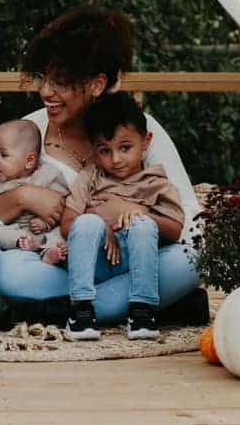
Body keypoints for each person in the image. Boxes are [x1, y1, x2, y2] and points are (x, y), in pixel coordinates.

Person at [0, 5, 204, 327]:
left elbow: (192, 221)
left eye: (60, 82)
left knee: (194, 260)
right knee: (9, 274)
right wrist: (22, 197)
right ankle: (142, 302)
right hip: (52, 264)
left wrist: (138, 212)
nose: (46, 91)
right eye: (43, 78)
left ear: (97, 84)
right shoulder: (27, 132)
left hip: (130, 258)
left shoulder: (138, 130)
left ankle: (62, 312)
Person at [61, 92, 185, 341]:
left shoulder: (156, 182)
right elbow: (67, 223)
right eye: (105, 151)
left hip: (138, 264)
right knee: (87, 221)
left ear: (146, 141)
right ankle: (81, 310)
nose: (115, 160)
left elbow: (175, 228)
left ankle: (142, 311)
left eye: (125, 148)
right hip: (95, 264)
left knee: (144, 227)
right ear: (94, 150)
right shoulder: (90, 177)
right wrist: (101, 226)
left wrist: (142, 212)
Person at [0, 120, 69, 264]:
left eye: (3, 155)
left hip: (44, 231)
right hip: (13, 231)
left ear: (29, 160)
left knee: (58, 235)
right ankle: (24, 243)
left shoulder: (49, 174)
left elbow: (63, 203)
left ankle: (50, 253)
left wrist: (46, 222)